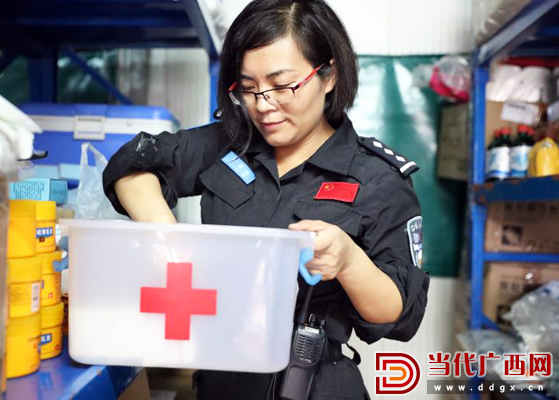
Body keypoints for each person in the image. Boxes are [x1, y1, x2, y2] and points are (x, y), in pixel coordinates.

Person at [103, 0, 430, 398]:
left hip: (310, 383)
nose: (262, 105)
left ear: (329, 75)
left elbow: (399, 313)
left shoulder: (377, 178)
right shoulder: (229, 144)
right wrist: (169, 241)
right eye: (248, 88)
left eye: (282, 85)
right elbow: (132, 164)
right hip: (221, 378)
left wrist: (348, 260)